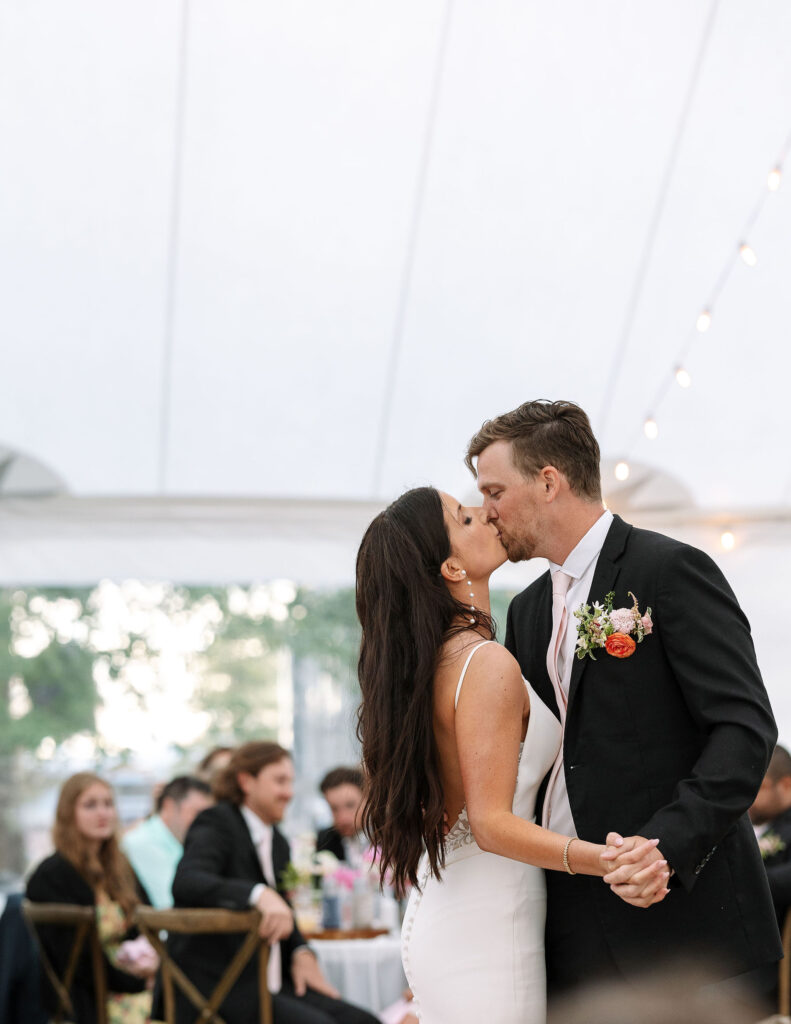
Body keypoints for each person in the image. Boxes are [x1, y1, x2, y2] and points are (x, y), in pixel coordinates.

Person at [464, 398, 780, 995]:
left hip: (682, 908)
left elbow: (744, 729)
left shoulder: (669, 570)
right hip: (568, 909)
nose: (488, 511)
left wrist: (666, 846)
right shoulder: (526, 610)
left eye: (495, 491)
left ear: (549, 482)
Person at [355, 487, 667, 1024]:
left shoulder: (433, 665)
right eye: (465, 516)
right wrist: (609, 861)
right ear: (452, 566)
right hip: (488, 925)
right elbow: (491, 823)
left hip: (456, 909)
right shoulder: (484, 664)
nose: (487, 514)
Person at [169, 741, 379, 1024]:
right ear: (246, 781)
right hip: (218, 989)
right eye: (280, 781)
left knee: (365, 1021)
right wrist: (258, 894)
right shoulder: (216, 822)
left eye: (290, 782)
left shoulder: (278, 842)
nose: (288, 793)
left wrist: (301, 951)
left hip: (273, 984)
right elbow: (187, 881)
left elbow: (285, 908)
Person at [26, 773, 158, 1024]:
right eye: (90, 805)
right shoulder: (51, 875)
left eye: (108, 804)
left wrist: (150, 967)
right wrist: (138, 981)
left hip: (137, 983)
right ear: (68, 813)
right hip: (91, 1000)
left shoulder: (119, 866)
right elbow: (78, 963)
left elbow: (147, 921)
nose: (103, 813)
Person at [122, 775, 213, 908]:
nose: (204, 823)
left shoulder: (182, 842)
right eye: (197, 813)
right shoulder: (141, 842)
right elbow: (169, 905)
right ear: (169, 806)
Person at [316, 767, 367, 866]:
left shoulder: (389, 837)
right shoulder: (325, 840)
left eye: (350, 805)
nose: (343, 818)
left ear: (367, 799)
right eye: (334, 809)